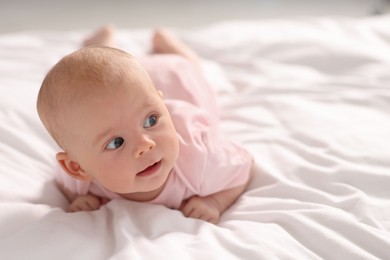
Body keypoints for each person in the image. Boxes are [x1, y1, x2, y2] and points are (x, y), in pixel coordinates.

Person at [37, 26, 253, 224]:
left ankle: (169, 46)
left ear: (162, 106)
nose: (145, 144)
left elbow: (243, 166)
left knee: (192, 69)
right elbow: (66, 185)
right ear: (78, 168)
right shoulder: (78, 178)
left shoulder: (199, 157)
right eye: (116, 142)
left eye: (151, 121)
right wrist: (79, 199)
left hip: (177, 78)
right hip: (129, 92)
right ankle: (102, 45)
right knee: (95, 74)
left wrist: (215, 202)